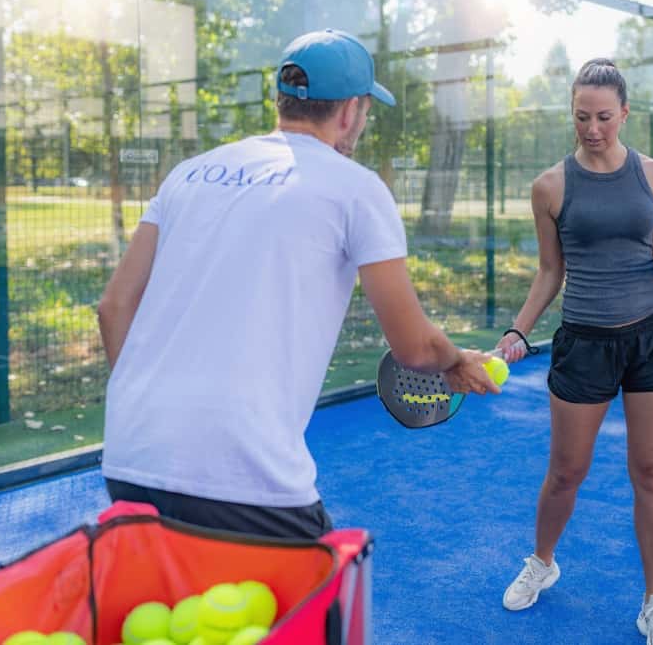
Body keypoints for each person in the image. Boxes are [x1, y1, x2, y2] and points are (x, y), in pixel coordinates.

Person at [97, 29, 498, 540]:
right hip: (244, 473)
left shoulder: (188, 174)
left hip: (131, 453)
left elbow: (113, 307)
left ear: (282, 100)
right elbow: (415, 346)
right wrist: (457, 361)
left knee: (176, 618)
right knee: (321, 616)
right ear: (351, 111)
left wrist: (144, 407)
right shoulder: (357, 189)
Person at [496, 59, 653, 645]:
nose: (592, 128)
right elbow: (549, 271)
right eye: (582, 117)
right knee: (565, 473)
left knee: (652, 472)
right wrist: (517, 330)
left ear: (625, 113)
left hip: (652, 340)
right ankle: (542, 561)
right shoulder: (550, 187)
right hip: (583, 343)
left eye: (604, 117)